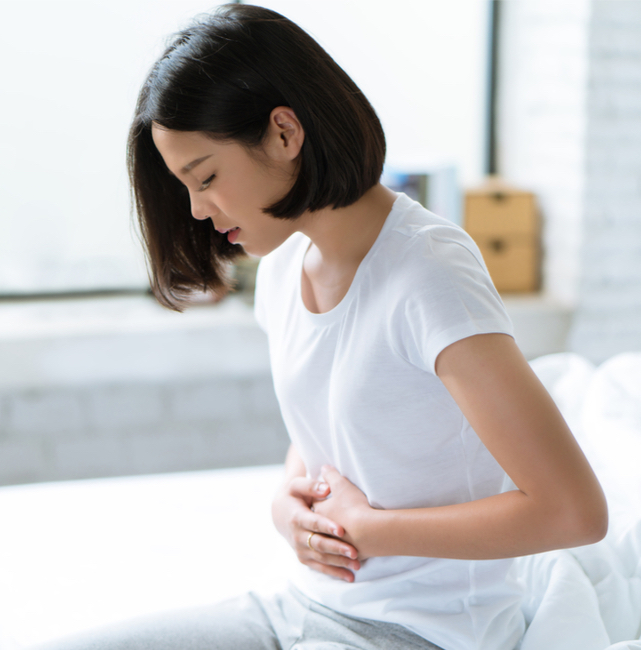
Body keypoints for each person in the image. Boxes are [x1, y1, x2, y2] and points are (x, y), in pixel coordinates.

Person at [37, 4, 608, 650]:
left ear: (284, 132)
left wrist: (370, 530)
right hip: (300, 606)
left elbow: (573, 511)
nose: (196, 210)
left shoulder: (429, 271)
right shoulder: (283, 268)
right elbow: (326, 434)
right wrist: (288, 504)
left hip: (425, 630)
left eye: (207, 177)